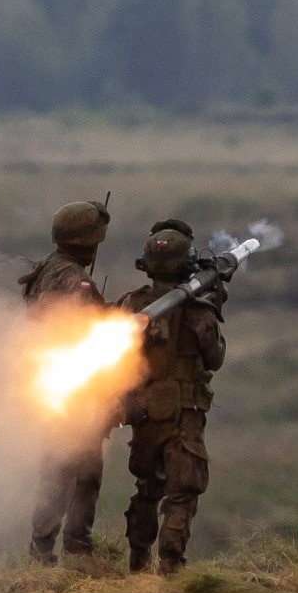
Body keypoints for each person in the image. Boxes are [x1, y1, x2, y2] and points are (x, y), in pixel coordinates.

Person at [116, 219, 226, 574]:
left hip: (145, 411)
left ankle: (137, 561)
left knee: (148, 487)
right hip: (183, 414)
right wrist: (214, 303)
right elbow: (215, 358)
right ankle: (171, 566)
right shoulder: (196, 309)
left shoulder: (130, 305)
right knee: (182, 492)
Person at [17, 199, 111, 565]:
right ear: (87, 241)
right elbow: (91, 329)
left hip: (51, 381)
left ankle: (41, 551)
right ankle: (77, 550)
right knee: (83, 473)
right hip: (76, 387)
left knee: (55, 470)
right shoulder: (77, 281)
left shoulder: (46, 270)